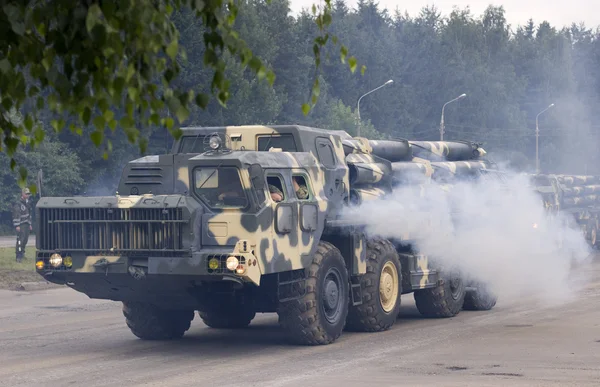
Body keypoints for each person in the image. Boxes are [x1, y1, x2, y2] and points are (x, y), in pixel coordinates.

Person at [13, 188, 32, 262]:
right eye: (26, 194)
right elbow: (16, 214)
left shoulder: (28, 202)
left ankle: (22, 253)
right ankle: (18, 256)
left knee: (25, 240)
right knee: (20, 240)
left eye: (28, 194)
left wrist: (30, 224)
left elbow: (29, 214)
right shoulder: (18, 203)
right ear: (22, 194)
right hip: (21, 224)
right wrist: (17, 225)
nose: (28, 195)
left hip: (26, 224)